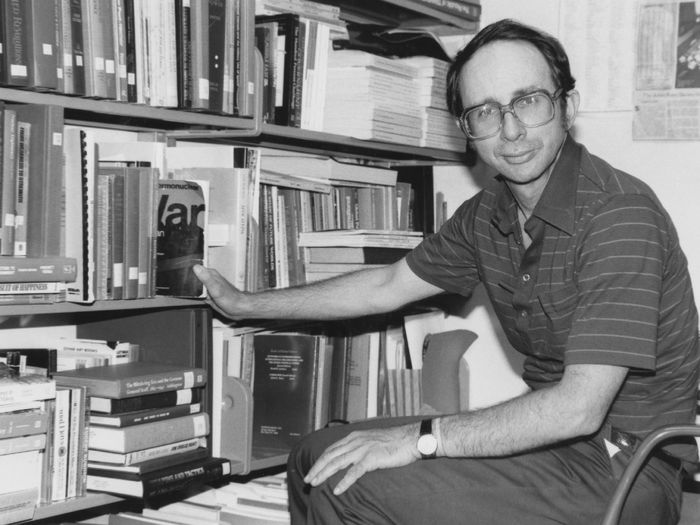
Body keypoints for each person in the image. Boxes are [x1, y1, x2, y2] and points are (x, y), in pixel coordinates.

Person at [193, 18, 699, 525]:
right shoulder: (489, 212)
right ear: (466, 131)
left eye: (528, 101)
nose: (510, 130)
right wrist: (246, 303)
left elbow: (577, 409)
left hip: (630, 465)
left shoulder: (619, 214)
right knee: (318, 455)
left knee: (354, 485)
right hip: (555, 447)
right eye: (485, 111)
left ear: (567, 106)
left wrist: (422, 439)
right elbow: (388, 285)